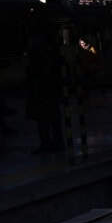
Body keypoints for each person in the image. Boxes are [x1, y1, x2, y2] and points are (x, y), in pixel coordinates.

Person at [25, 17, 63, 153]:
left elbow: (34, 67)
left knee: (43, 117)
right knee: (53, 116)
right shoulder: (51, 44)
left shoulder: (36, 45)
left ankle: (46, 143)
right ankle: (58, 142)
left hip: (41, 85)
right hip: (50, 85)